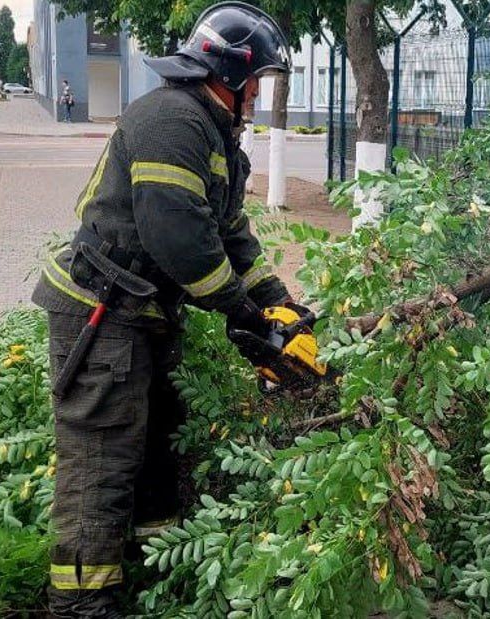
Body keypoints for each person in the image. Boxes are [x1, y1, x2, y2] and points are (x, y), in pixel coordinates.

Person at [32, 3, 300, 616]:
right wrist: (241, 315)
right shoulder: (171, 121)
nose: (260, 92)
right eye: (257, 78)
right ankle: (80, 605)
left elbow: (230, 232)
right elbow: (179, 240)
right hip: (100, 315)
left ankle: (157, 579)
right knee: (103, 459)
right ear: (229, 74)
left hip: (142, 316)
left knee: (157, 450)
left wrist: (278, 304)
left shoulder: (213, 132)